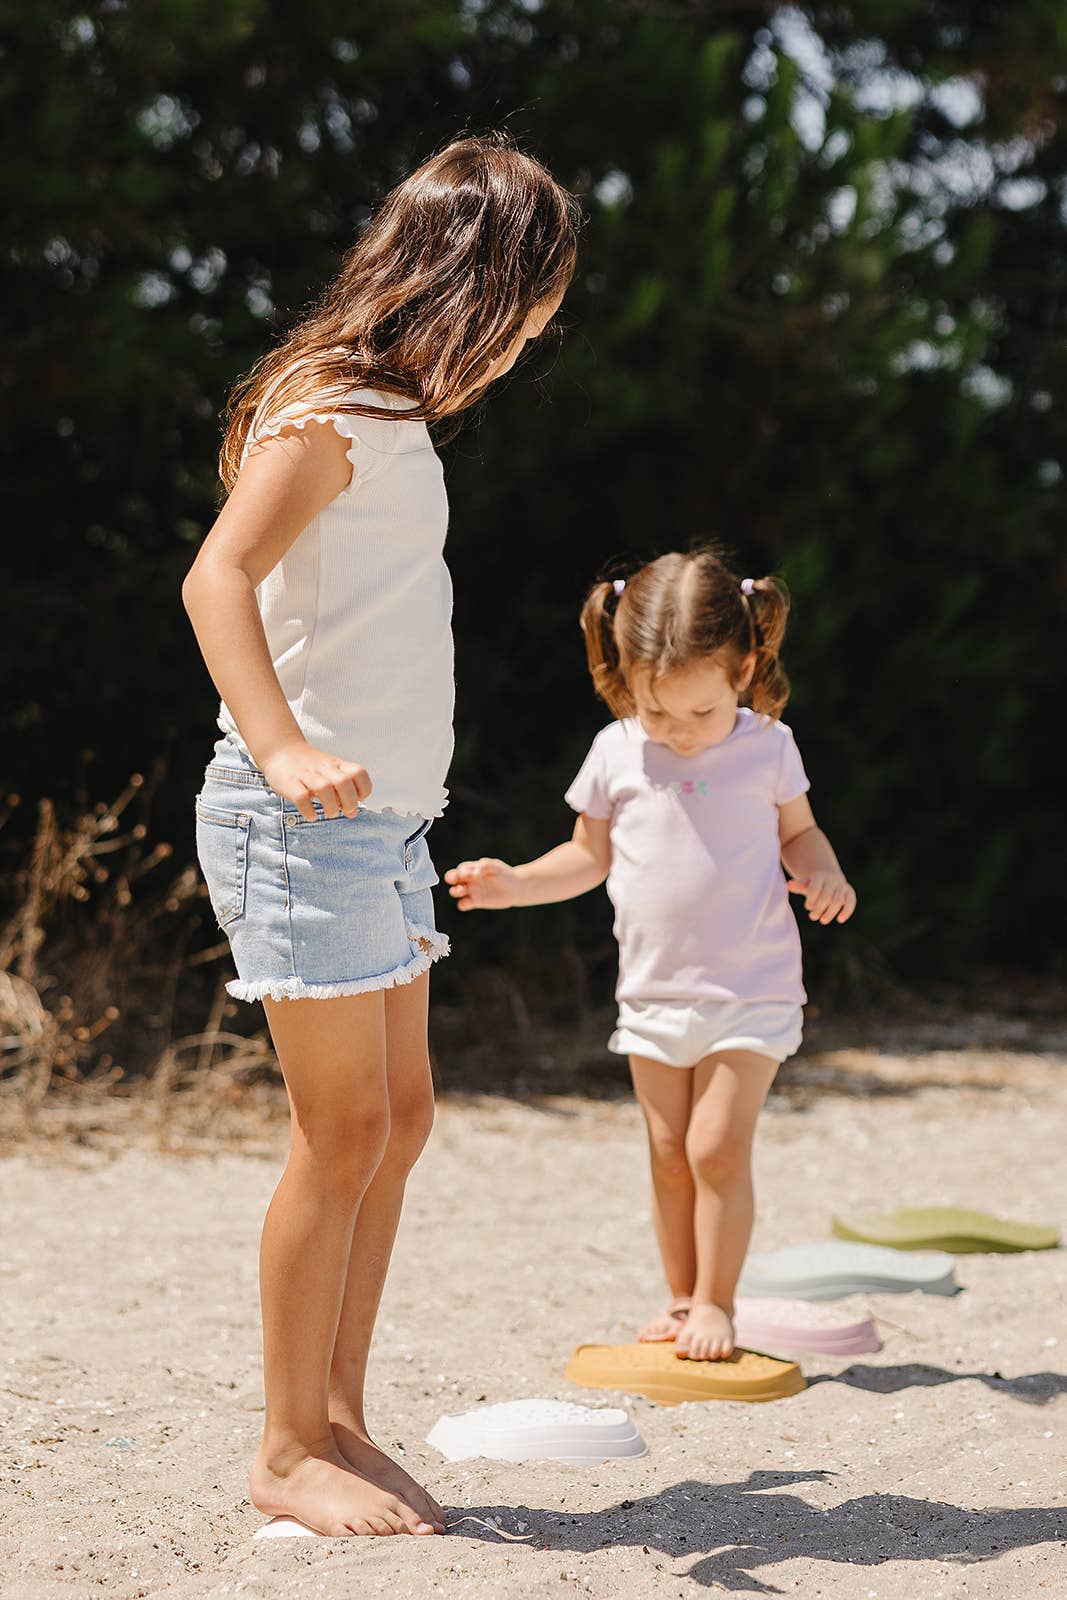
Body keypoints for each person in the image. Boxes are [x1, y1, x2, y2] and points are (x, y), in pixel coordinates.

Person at [181, 135, 578, 1538]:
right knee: (339, 1131)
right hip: (301, 826)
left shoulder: (390, 414)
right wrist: (283, 745)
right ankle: (285, 1448)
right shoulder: (328, 407)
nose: (518, 353)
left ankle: (338, 1416)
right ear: (466, 285)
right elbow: (214, 575)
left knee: (396, 1123)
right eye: (520, 326)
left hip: (384, 828)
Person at [445, 548, 856, 1362]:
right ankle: (679, 1298)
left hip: (752, 987)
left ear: (743, 670)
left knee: (713, 1148)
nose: (680, 734)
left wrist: (822, 870)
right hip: (653, 994)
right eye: (658, 713)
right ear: (624, 677)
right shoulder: (616, 751)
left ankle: (717, 1303)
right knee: (669, 1157)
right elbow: (586, 857)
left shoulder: (768, 746)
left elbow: (798, 833)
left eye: (700, 714)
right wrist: (514, 883)